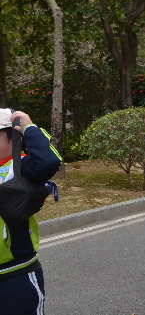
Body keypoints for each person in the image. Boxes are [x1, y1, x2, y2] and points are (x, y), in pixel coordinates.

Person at [0, 109, 61, 315]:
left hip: (15, 273)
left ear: (13, 135)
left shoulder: (21, 167)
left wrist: (29, 128)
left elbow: (49, 161)